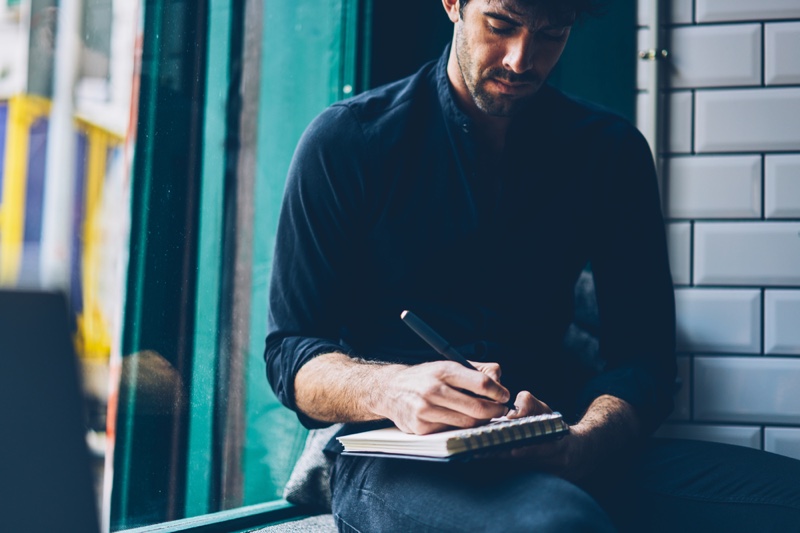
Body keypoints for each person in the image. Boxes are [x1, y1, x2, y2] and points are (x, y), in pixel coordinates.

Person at [265, 0, 800, 531]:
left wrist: (588, 440)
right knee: (557, 524)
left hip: (557, 436)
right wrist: (394, 389)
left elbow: (645, 358)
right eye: (501, 25)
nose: (522, 60)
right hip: (398, 455)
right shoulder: (347, 141)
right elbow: (291, 351)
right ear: (453, 3)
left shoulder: (609, 153)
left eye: (552, 35)